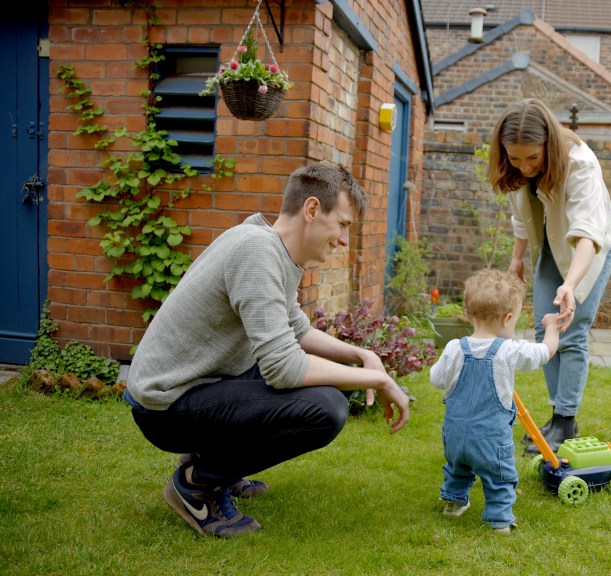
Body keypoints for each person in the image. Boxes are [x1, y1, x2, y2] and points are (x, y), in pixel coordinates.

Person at [123, 163, 410, 538]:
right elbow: (284, 369)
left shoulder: (265, 243)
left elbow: (296, 329)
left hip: (196, 388)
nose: (344, 239)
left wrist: (363, 356)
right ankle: (197, 484)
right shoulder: (257, 252)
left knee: (316, 389)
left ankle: (215, 461)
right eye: (342, 224)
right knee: (326, 409)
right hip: (166, 406)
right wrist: (376, 378)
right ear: (311, 210)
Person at [486, 98, 611, 454]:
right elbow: (521, 216)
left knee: (570, 331)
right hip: (549, 243)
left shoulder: (581, 165)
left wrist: (570, 285)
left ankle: (565, 421)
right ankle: (558, 416)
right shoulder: (515, 167)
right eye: (515, 158)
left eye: (533, 157)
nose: (524, 167)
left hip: (588, 248)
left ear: (550, 145)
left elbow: (588, 234)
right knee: (547, 326)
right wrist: (517, 259)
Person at [431, 268, 559, 534]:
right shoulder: (509, 350)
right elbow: (544, 352)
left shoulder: (454, 347)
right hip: (490, 439)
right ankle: (499, 520)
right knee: (499, 478)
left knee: (457, 470)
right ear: (508, 318)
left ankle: (453, 505)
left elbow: (436, 379)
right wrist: (552, 328)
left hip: (455, 435)